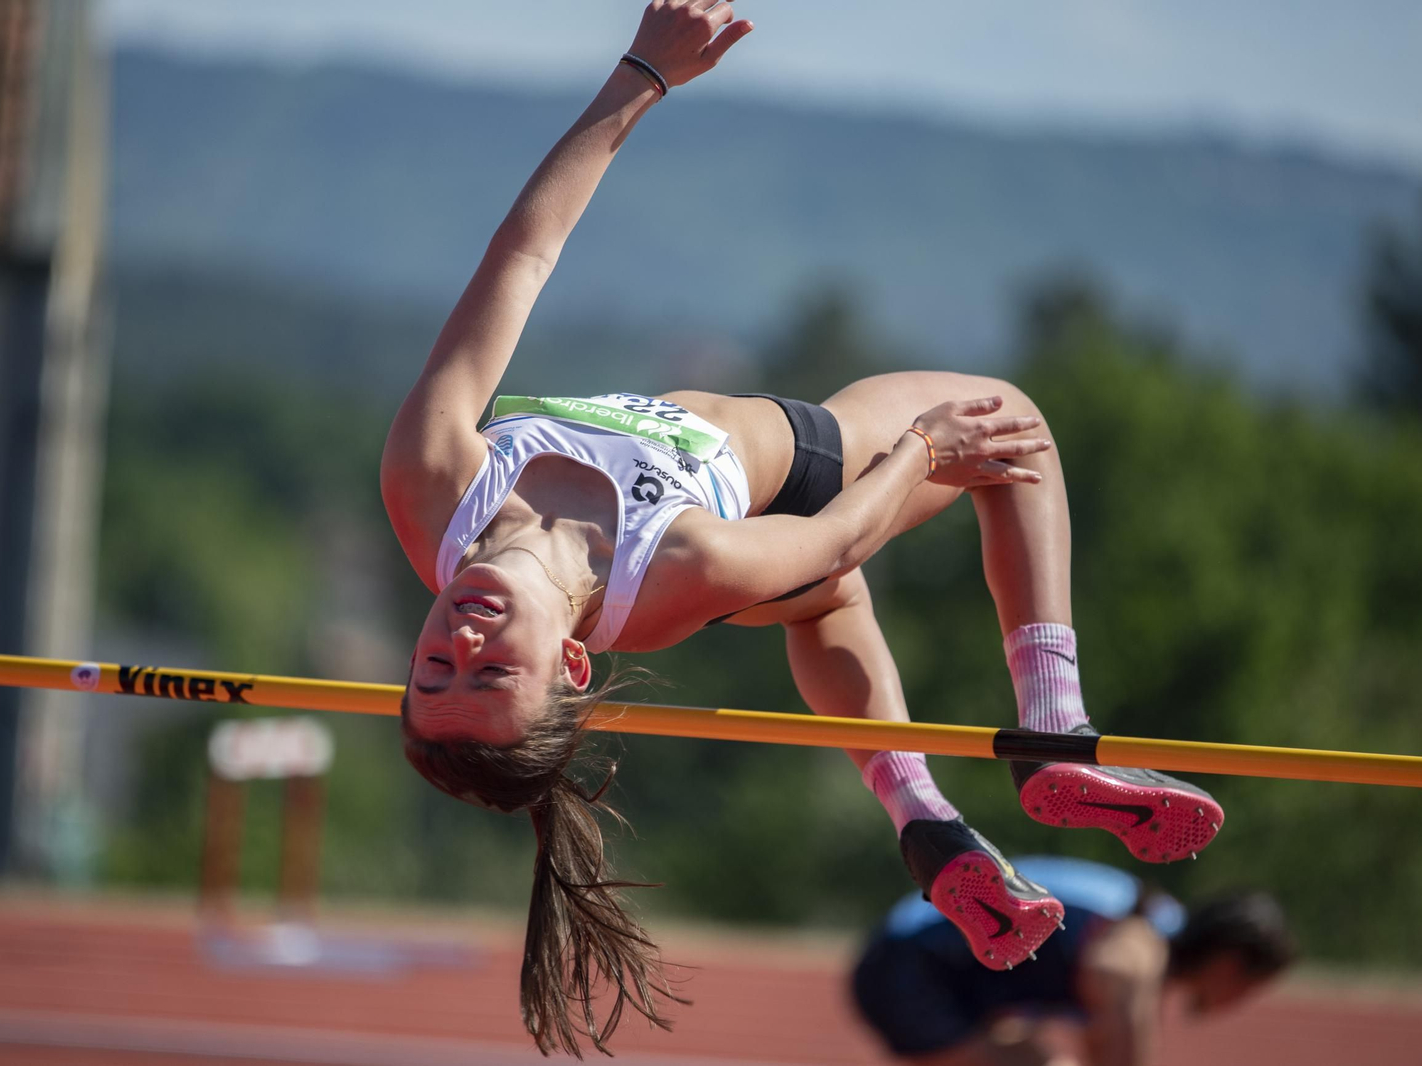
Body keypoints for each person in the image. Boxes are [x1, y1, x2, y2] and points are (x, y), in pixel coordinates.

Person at [379, 2, 1225, 1055]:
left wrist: (642, 72)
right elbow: (829, 541)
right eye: (488, 676)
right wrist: (922, 447)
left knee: (831, 604)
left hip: (773, 570)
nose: (457, 646)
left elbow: (523, 254)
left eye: (432, 673)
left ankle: (921, 813)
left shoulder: (428, 482)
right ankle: (1051, 731)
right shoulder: (680, 563)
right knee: (1016, 432)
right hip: (802, 489)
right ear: (570, 665)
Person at [852, 857, 1294, 1066]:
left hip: (917, 967)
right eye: (1250, 988)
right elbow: (1112, 973)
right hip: (908, 964)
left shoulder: (1148, 923)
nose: (1242, 1002)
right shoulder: (1144, 942)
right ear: (1229, 965)